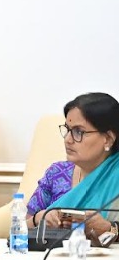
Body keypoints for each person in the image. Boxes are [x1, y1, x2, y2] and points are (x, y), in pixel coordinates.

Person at [26, 92, 119, 245]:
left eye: (78, 132)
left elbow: (110, 230)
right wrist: (39, 218)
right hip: (51, 257)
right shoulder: (56, 173)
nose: (68, 139)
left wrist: (109, 229)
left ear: (108, 139)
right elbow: (18, 230)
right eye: (67, 130)